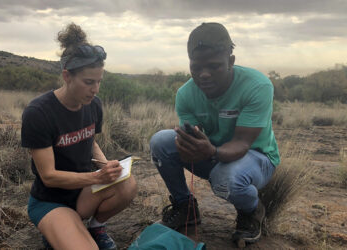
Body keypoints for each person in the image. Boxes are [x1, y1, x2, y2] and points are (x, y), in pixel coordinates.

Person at [150, 22, 280, 245]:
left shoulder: (257, 86)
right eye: (196, 67)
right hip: (212, 153)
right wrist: (187, 144)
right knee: (161, 142)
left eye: (214, 66)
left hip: (256, 157)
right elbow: (194, 138)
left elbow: (241, 142)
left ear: (231, 61)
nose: (204, 75)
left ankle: (252, 211)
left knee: (225, 179)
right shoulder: (185, 94)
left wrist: (210, 151)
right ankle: (186, 208)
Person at [21, 23, 137, 250]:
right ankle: (56, 228)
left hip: (83, 194)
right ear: (67, 76)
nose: (95, 90)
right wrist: (97, 178)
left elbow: (89, 139)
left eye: (99, 81)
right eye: (88, 82)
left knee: (127, 184)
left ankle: (95, 227)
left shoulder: (93, 105)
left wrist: (106, 166)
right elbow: (49, 177)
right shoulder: (39, 112)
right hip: (50, 201)